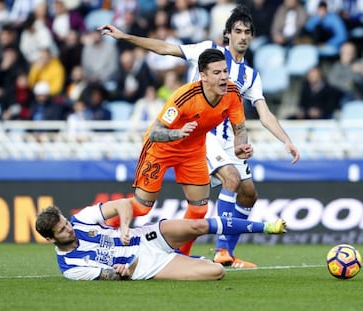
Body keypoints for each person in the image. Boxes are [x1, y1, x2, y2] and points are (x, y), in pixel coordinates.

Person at [98, 5, 300, 267]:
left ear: (251, 37)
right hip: (199, 135)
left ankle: (208, 252)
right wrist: (126, 37)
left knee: (248, 194)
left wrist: (286, 140)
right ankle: (221, 250)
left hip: (227, 141)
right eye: (237, 31)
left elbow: (263, 113)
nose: (242, 36)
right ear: (227, 34)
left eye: (247, 32)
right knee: (231, 178)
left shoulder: (250, 76)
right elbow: (165, 48)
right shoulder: (206, 52)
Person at [105, 48, 252, 257]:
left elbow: (240, 129)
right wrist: (178, 133)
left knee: (200, 210)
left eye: (225, 71)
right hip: (160, 150)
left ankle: (180, 256)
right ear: (203, 76)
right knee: (141, 207)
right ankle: (98, 228)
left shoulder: (232, 93)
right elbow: (155, 133)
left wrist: (240, 146)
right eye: (217, 73)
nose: (224, 77)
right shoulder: (185, 97)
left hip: (193, 152)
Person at [35, 198, 287, 281]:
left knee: (198, 224)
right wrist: (121, 271)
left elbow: (123, 204)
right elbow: (109, 275)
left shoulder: (82, 220)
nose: (69, 228)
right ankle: (190, 261)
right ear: (50, 239)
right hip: (144, 265)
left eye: (66, 223)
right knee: (216, 271)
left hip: (146, 237)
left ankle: (266, 226)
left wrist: (124, 225)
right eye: (62, 230)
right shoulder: (71, 268)